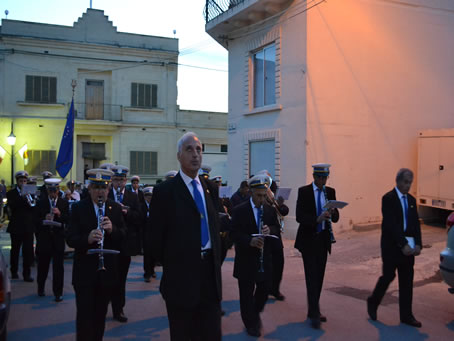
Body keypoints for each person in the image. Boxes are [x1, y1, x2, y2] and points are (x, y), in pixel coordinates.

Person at [150, 132, 223, 340]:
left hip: (209, 277)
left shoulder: (210, 188)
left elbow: (215, 230)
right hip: (180, 281)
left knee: (211, 334)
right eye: (189, 149)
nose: (195, 154)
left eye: (199, 149)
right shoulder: (165, 191)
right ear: (179, 155)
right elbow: (155, 239)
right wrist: (176, 263)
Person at [66, 168, 126, 341]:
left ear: (108, 189)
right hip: (84, 273)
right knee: (84, 316)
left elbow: (124, 233)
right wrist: (87, 238)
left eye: (104, 188)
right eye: (96, 187)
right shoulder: (78, 208)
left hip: (107, 273)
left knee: (100, 316)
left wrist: (112, 229)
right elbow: (70, 238)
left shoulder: (114, 208)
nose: (100, 191)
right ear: (90, 189)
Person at [367, 168, 423, 328]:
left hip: (409, 247)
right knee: (388, 276)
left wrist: (418, 243)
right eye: (405, 182)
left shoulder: (412, 200)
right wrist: (402, 244)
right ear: (398, 181)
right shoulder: (388, 199)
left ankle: (406, 315)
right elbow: (391, 225)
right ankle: (373, 301)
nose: (407, 185)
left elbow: (415, 224)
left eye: (410, 183)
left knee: (407, 280)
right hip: (392, 246)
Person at [230, 173, 280, 337]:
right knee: (245, 294)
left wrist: (269, 230)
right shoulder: (239, 210)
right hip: (246, 260)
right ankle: (250, 323)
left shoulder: (269, 210)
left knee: (264, 290)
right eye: (258, 196)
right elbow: (233, 233)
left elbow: (276, 228)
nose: (261, 199)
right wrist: (248, 241)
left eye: (264, 195)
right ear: (251, 192)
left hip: (264, 259)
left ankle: (254, 313)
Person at [294, 163, 340, 329]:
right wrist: (316, 219)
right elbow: (300, 216)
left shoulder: (330, 192)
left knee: (319, 277)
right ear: (314, 177)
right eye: (320, 178)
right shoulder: (304, 192)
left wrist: (334, 213)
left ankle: (313, 309)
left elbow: (336, 219)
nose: (323, 181)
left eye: (325, 178)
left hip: (323, 240)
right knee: (311, 277)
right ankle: (314, 313)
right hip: (308, 240)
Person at [108, 165, 141, 323]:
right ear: (112, 180)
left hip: (125, 243)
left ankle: (118, 308)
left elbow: (139, 217)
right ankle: (106, 302)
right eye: (116, 180)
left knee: (121, 278)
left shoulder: (132, 196)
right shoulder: (106, 195)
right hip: (109, 242)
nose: (119, 183)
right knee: (107, 277)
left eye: (121, 180)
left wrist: (127, 212)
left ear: (126, 181)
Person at [35, 178, 69, 301]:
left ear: (59, 190)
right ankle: (41, 287)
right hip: (45, 238)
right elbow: (35, 221)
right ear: (47, 190)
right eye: (50, 191)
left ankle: (58, 292)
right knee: (43, 265)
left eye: (55, 190)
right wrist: (44, 218)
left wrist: (59, 214)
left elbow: (68, 220)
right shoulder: (41, 202)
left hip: (58, 238)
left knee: (58, 267)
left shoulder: (64, 203)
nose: (53, 193)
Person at [6, 170, 35, 282]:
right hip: (16, 226)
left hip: (28, 226)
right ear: (17, 181)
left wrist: (32, 199)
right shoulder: (11, 193)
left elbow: (33, 208)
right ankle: (14, 272)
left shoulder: (30, 192)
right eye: (21, 181)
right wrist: (22, 197)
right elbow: (12, 206)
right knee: (15, 250)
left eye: (24, 181)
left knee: (28, 251)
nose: (23, 183)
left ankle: (26, 274)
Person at [141, 186, 156, 282]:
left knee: (154, 253)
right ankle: (147, 273)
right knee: (147, 254)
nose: (149, 197)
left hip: (154, 233)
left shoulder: (156, 206)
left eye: (150, 196)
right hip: (145, 233)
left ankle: (152, 269)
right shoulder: (141, 206)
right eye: (147, 196)